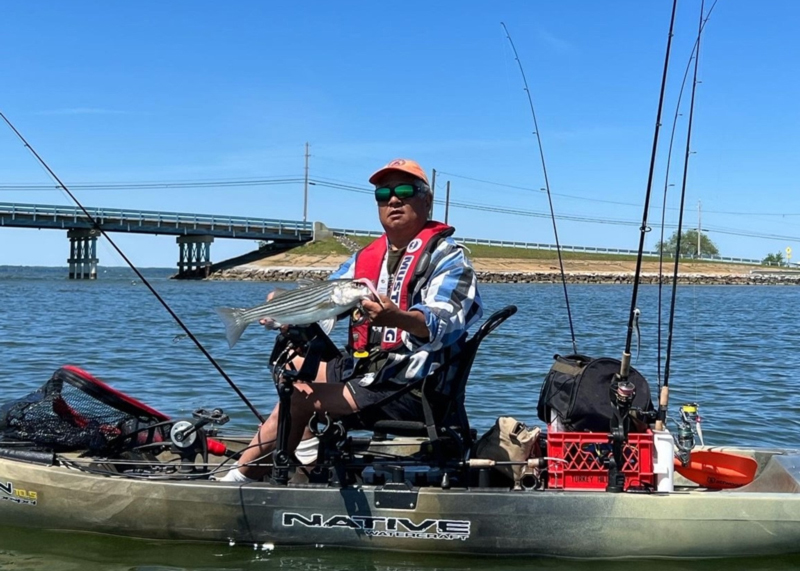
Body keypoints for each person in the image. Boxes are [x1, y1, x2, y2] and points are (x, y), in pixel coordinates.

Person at [222, 158, 483, 482]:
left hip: (407, 387)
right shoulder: (366, 259)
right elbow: (324, 297)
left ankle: (241, 480)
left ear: (426, 200)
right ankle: (301, 444)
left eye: (405, 190)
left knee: (299, 398)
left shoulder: (449, 259)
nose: (393, 199)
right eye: (382, 193)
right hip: (366, 370)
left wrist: (398, 318)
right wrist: (285, 310)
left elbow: (446, 319)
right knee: (291, 361)